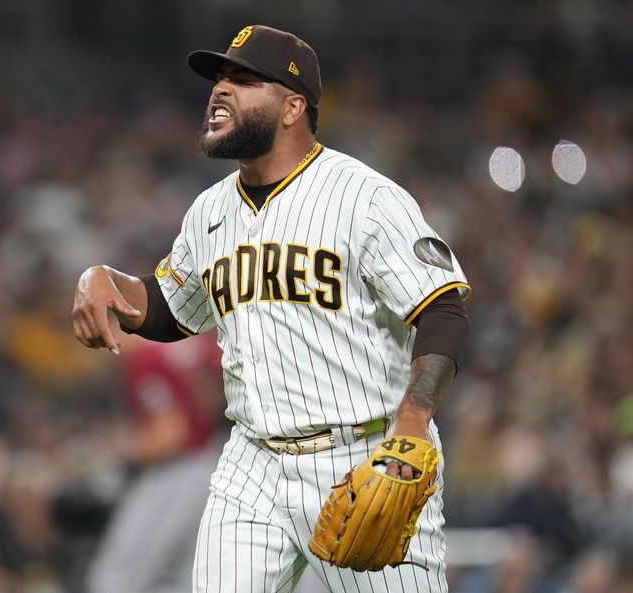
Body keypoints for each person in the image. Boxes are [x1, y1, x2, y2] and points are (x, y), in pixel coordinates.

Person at [73, 24, 470, 593]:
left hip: (364, 451)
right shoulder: (209, 211)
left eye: (243, 80)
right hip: (251, 461)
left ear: (292, 108)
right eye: (219, 79)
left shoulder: (363, 196)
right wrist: (103, 278)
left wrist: (412, 423)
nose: (220, 90)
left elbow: (444, 310)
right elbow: (169, 308)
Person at [85, 332, 225, 593]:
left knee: (115, 579)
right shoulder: (180, 348)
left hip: (176, 474)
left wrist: (121, 450)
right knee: (181, 578)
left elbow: (172, 434)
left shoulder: (148, 361)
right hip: (207, 465)